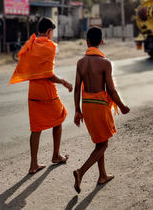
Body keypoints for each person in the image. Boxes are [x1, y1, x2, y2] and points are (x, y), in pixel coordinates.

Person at [10, 17, 73, 174]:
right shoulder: (49, 46)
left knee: (36, 128)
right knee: (59, 118)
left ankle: (33, 165)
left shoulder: (31, 44)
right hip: (47, 92)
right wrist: (64, 82)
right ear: (49, 31)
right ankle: (56, 155)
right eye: (52, 32)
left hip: (33, 91)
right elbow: (49, 75)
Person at [73, 26, 130, 193]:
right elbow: (111, 90)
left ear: (87, 42)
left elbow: (77, 89)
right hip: (100, 105)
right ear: (102, 42)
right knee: (103, 144)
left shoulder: (80, 62)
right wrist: (122, 106)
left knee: (99, 141)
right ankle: (80, 172)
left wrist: (77, 110)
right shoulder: (105, 63)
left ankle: (102, 175)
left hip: (87, 105)